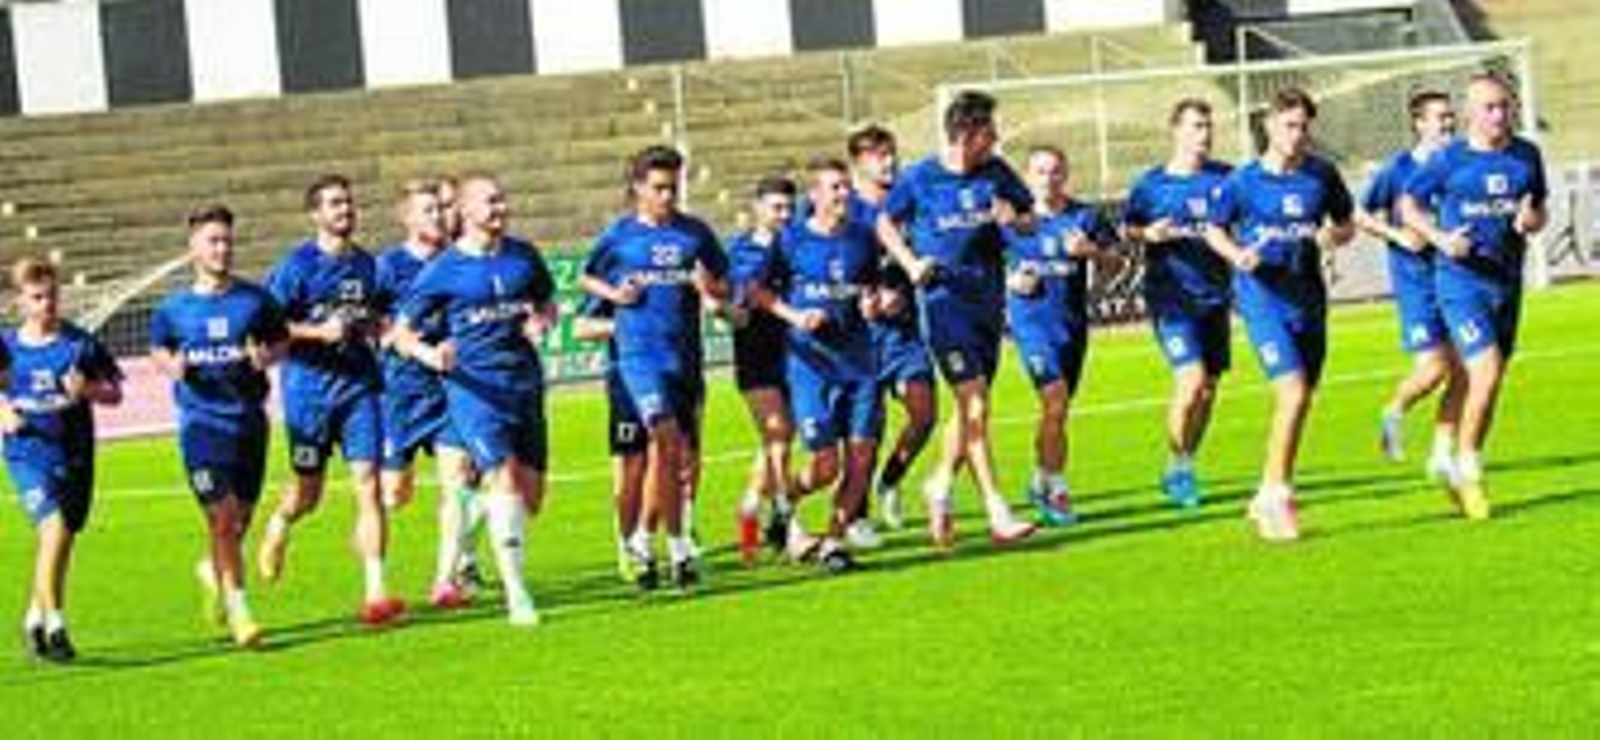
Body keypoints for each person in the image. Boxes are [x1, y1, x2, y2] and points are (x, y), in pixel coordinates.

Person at [877, 90, 1038, 550]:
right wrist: (909, 264)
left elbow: (1027, 220)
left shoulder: (997, 172)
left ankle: (940, 483)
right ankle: (997, 510)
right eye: (989, 130)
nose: (997, 139)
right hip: (943, 305)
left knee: (972, 408)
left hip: (986, 305)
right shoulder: (921, 177)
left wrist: (1014, 220)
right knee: (975, 404)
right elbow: (885, 224)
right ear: (966, 134)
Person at [395, 175, 557, 625]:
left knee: (531, 498)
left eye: (503, 199)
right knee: (502, 477)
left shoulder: (524, 257)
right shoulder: (443, 269)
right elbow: (401, 335)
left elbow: (546, 301)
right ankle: (516, 593)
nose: (501, 208)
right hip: (474, 391)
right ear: (465, 211)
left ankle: (474, 506)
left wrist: (541, 322)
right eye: (491, 201)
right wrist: (432, 354)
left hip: (524, 384)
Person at [1205, 88, 1355, 542]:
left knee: (1303, 397)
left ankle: (1266, 491)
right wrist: (1236, 255)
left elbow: (1345, 223)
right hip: (1261, 298)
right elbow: (1213, 228)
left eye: (1304, 126)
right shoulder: (1243, 182)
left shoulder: (1321, 175)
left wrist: (1334, 236)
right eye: (1289, 125)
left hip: (1308, 298)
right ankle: (1276, 495)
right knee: (1291, 393)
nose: (1297, 135)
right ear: (1269, 126)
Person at [256, 174, 404, 625]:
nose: (346, 210)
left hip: (360, 387)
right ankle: (280, 523)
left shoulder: (369, 266)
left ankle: (376, 592)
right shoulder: (296, 267)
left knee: (368, 484)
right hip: (309, 393)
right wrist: (318, 332)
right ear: (315, 214)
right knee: (308, 493)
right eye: (335, 204)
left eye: (349, 202)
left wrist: (393, 334)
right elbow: (269, 326)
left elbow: (378, 317)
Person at [581, 146, 729, 592]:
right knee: (662, 440)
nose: (668, 196)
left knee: (677, 457)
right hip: (637, 358)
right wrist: (616, 293)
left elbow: (723, 284)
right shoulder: (620, 237)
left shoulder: (695, 233)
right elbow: (588, 278)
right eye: (660, 188)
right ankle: (667, 543)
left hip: (683, 358)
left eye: (674, 187)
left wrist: (710, 288)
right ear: (639, 189)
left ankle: (651, 541)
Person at [1401, 74, 1547, 520]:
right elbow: (1409, 204)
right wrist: (1441, 238)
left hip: (1506, 283)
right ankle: (1469, 469)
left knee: (1490, 379)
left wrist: (1530, 219)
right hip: (1460, 283)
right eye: (1489, 108)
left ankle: (1451, 453)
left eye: (1505, 106)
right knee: (1484, 371)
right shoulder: (1449, 161)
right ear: (1470, 113)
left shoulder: (1527, 155)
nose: (1499, 116)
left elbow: (1538, 206)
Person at [150, 205, 285, 648]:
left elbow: (280, 340)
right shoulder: (173, 309)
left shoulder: (255, 300)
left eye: (227, 240)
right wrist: (172, 364)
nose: (222, 248)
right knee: (223, 517)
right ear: (193, 248)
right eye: (213, 240)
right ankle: (242, 613)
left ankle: (213, 572)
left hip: (249, 422)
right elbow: (159, 350)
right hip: (202, 426)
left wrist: (267, 357)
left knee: (238, 521)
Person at [752, 157, 885, 573]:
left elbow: (871, 287)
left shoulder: (863, 238)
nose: (843, 194)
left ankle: (833, 541)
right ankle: (783, 503)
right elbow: (757, 292)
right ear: (815, 196)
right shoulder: (790, 241)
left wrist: (874, 302)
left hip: (859, 363)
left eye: (846, 186)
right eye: (835, 188)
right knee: (825, 465)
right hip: (810, 365)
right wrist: (795, 316)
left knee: (862, 459)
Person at [0, 258, 122, 662]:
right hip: (27, 453)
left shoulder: (78, 344)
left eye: (52, 295)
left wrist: (86, 389)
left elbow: (114, 393)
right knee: (51, 529)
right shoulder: (7, 346)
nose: (47, 303)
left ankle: (34, 617)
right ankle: (56, 624)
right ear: (19, 302)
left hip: (73, 453)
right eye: (37, 297)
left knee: (63, 539)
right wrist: (3, 411)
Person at [1122, 99, 1235, 508]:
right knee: (1190, 380)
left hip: (1216, 298)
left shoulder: (1227, 178)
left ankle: (1185, 462)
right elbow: (1127, 229)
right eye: (1196, 126)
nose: (1204, 134)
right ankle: (1177, 464)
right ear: (1176, 131)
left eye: (1208, 126)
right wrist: (1148, 234)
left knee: (1207, 390)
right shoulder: (1151, 185)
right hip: (1171, 300)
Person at [373, 180, 478, 609]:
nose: (439, 217)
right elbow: (381, 328)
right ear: (408, 218)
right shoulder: (387, 268)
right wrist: (421, 351)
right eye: (429, 210)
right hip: (401, 392)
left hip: (449, 391)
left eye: (441, 209)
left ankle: (445, 580)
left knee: (456, 483)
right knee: (395, 495)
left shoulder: (457, 262)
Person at [1004, 146, 1114, 526]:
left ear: (1065, 174)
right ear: (1027, 176)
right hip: (1030, 324)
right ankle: (1057, 489)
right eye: (1039, 171)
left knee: (1058, 411)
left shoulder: (1084, 216)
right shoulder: (1013, 222)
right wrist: (1011, 282)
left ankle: (1039, 477)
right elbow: (981, 266)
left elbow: (1119, 263)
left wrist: (1092, 251)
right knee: (1055, 401)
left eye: (1054, 171)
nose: (1047, 179)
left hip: (1070, 325)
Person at [1357, 90, 1462, 475]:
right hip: (1416, 283)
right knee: (1434, 370)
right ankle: (1394, 411)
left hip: (1457, 281)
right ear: (1419, 123)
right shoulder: (1397, 170)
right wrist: (1399, 236)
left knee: (1464, 371)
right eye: (1440, 117)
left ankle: (1442, 453)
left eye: (1451, 116)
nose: (1448, 124)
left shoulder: (1459, 163)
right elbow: (1360, 213)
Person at [848, 125, 937, 537]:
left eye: (892, 154)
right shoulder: (842, 210)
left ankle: (891, 480)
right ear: (858, 164)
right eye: (879, 156)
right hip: (857, 339)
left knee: (923, 413)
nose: (890, 162)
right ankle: (857, 513)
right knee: (868, 429)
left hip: (902, 333)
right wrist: (859, 300)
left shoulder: (908, 204)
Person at [726, 176, 798, 564]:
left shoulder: (798, 244)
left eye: (789, 208)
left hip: (798, 354)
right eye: (777, 208)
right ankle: (783, 516)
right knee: (778, 433)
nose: (785, 215)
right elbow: (739, 301)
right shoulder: (741, 251)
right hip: (757, 354)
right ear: (758, 208)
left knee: (778, 441)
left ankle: (752, 509)